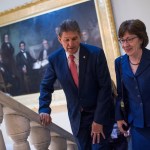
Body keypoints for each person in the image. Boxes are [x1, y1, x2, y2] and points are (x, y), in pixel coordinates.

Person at [39, 19, 114, 150]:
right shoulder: (54, 59)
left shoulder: (95, 54)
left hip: (99, 115)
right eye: (66, 40)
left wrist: (99, 120)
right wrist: (44, 108)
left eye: (74, 39)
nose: (71, 44)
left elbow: (105, 88)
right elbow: (46, 86)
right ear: (59, 39)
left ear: (79, 36)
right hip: (77, 120)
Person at [115, 19, 150, 150]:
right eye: (122, 40)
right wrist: (119, 117)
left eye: (129, 39)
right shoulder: (119, 63)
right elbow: (120, 93)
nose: (125, 44)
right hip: (137, 124)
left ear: (141, 38)